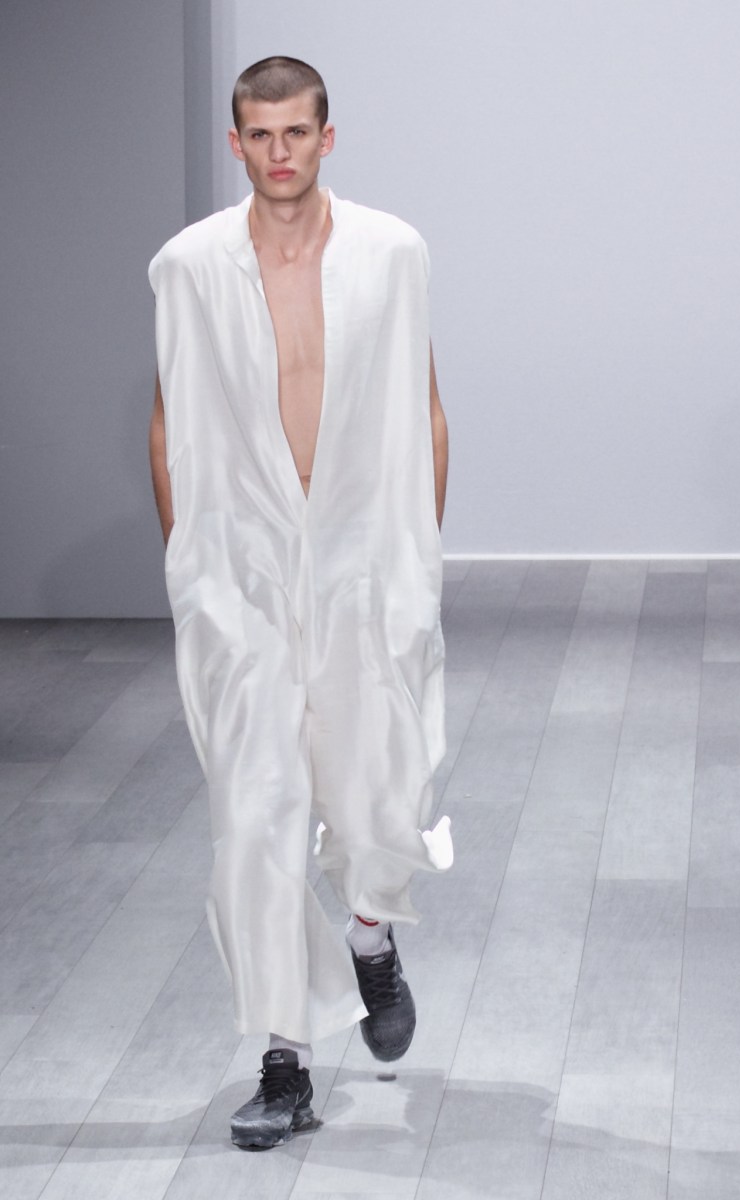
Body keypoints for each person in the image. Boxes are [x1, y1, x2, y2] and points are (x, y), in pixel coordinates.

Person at [147, 55, 452, 1151]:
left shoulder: (391, 251)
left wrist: (417, 557)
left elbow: (423, 404)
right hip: (243, 567)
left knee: (377, 789)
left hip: (365, 554)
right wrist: (191, 566)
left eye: (296, 132)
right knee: (255, 816)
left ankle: (371, 935)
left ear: (328, 136)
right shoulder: (188, 265)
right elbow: (168, 417)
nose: (279, 152)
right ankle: (285, 1059)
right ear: (236, 143)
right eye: (260, 135)